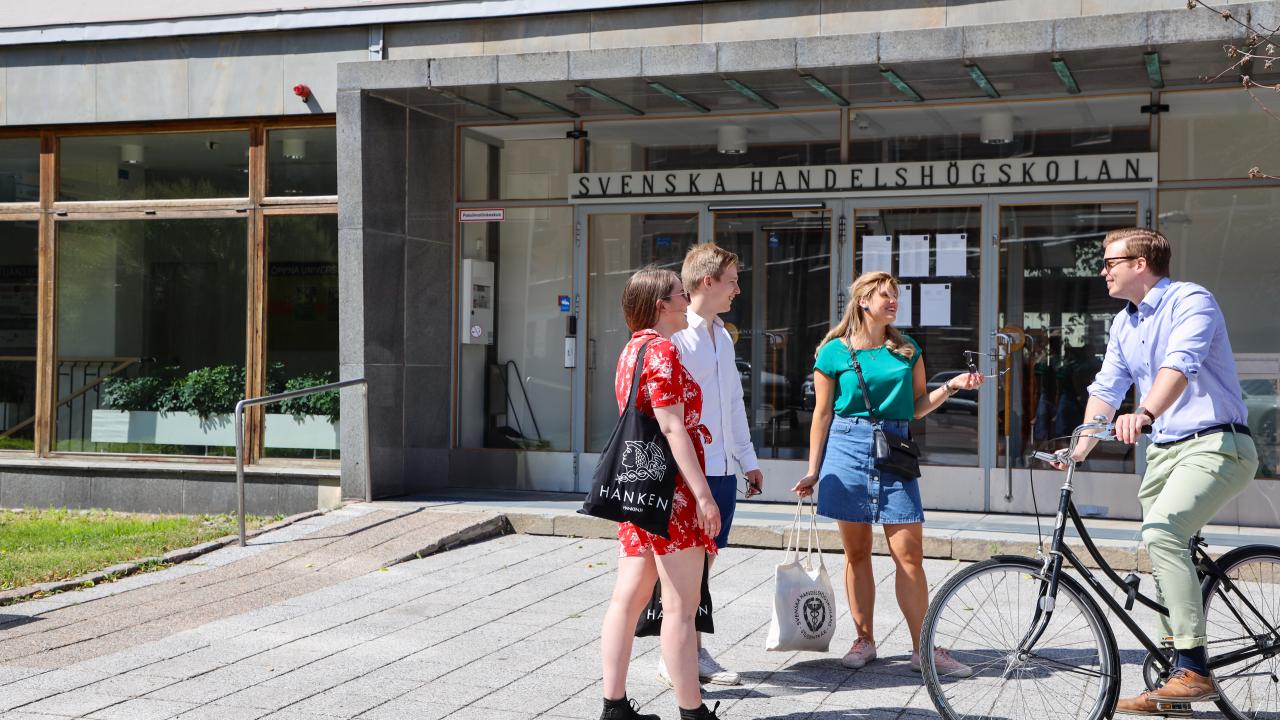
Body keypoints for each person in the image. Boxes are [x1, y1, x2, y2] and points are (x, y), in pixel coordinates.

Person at [1060, 228, 1258, 715]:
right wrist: (1078, 449)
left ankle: (1194, 670)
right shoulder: (1124, 324)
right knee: (1164, 547)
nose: (1103, 271)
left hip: (1217, 445)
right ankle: (1175, 676)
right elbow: (1107, 388)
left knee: (1163, 531)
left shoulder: (1191, 300)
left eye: (1110, 262)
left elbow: (1180, 366)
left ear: (1141, 264)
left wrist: (1144, 413)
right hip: (1165, 454)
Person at [792, 271, 983, 676]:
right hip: (846, 448)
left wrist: (951, 386)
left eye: (895, 295)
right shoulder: (833, 352)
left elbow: (916, 407)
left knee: (909, 554)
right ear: (863, 301)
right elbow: (821, 415)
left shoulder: (907, 349)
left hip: (893, 450)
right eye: (884, 295)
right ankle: (864, 639)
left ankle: (922, 648)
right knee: (857, 552)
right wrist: (813, 470)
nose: (893, 301)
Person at [598, 266, 723, 720]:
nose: (686, 299)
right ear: (661, 304)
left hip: (639, 488)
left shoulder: (630, 350)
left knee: (627, 599)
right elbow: (671, 427)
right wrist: (703, 495)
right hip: (672, 492)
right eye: (678, 293)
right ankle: (692, 712)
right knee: (681, 608)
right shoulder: (664, 351)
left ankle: (614, 705)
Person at [666, 243, 763, 687]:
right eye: (732, 282)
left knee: (705, 565)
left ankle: (689, 650)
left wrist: (748, 459)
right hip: (691, 474)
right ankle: (683, 654)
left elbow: (734, 404)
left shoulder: (722, 336)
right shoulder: (676, 338)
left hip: (723, 470)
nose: (737, 290)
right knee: (682, 572)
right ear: (708, 282)